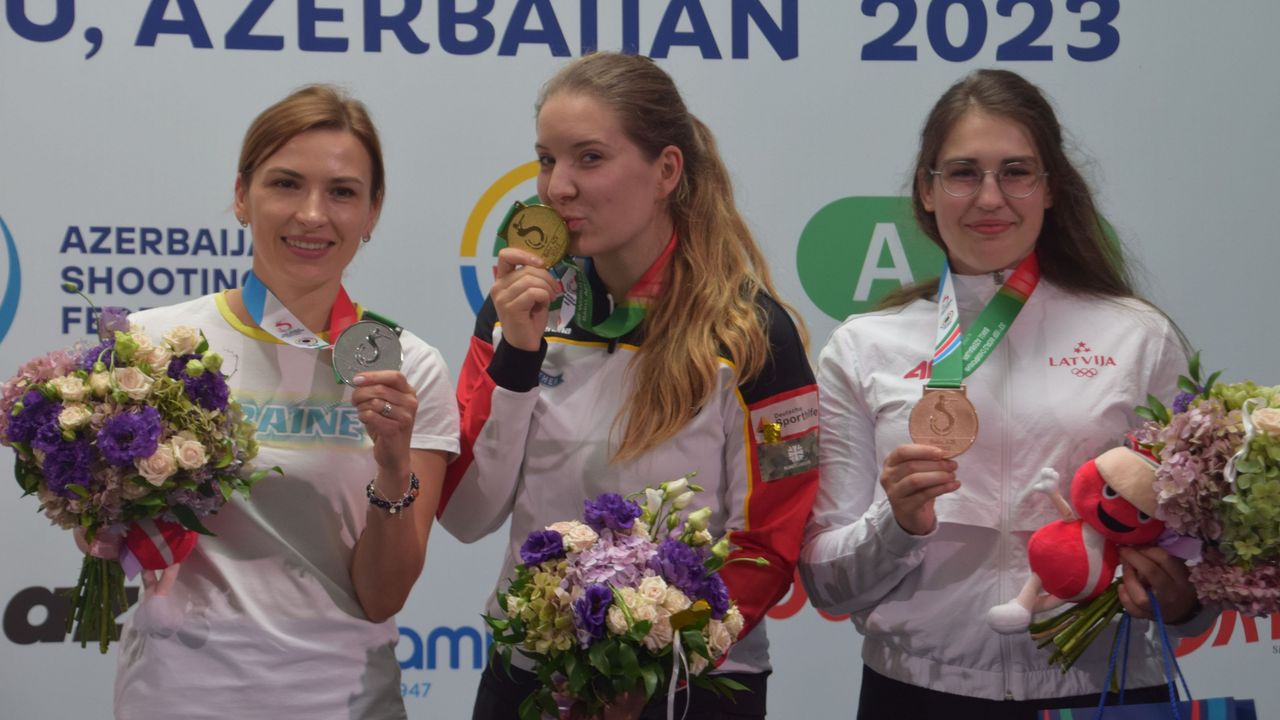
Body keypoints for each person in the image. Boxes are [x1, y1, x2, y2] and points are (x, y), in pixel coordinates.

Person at [798, 69, 1212, 719]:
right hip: (918, 693)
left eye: (1016, 171)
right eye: (963, 172)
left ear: (1051, 190)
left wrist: (1183, 596)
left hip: (1103, 690)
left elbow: (1200, 565)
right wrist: (896, 523)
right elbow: (826, 582)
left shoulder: (1138, 336)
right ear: (926, 192)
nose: (990, 197)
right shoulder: (863, 347)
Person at [439, 52, 818, 720]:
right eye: (547, 160)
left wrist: (650, 655)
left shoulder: (754, 334)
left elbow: (765, 548)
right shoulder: (517, 312)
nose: (558, 187)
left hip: (689, 684)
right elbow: (466, 516)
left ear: (667, 170)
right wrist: (519, 359)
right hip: (530, 679)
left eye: (589, 158)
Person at [113, 85, 459, 719]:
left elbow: (383, 596)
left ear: (373, 212)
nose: (311, 214)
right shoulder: (152, 346)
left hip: (343, 702)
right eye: (285, 184)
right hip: (180, 696)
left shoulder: (409, 368)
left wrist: (392, 463)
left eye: (343, 192)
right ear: (242, 196)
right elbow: (102, 542)